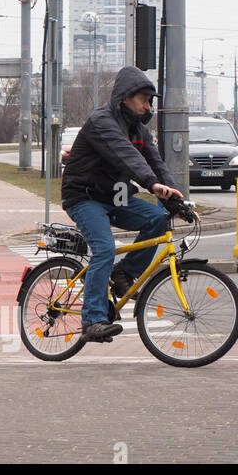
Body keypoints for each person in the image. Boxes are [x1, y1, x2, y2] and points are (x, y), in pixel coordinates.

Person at [61, 66, 191, 344]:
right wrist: (151, 184)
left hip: (115, 196)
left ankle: (125, 272)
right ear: (124, 98)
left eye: (149, 101)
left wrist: (177, 200)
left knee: (157, 219)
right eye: (143, 99)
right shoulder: (102, 122)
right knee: (105, 248)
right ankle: (93, 320)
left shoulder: (140, 131)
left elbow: (156, 163)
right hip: (84, 196)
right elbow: (126, 155)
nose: (147, 106)